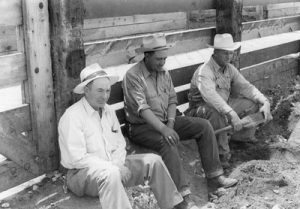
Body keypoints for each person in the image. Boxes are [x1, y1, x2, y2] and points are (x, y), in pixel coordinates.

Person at [122, 33, 238, 207]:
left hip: (165, 121)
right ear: (147, 56)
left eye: (165, 59)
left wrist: (170, 123)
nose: (162, 63)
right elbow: (143, 109)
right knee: (167, 142)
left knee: (204, 126)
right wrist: (164, 130)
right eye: (159, 59)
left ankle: (215, 178)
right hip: (141, 127)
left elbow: (172, 100)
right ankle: (183, 199)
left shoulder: (163, 72)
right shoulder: (133, 76)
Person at [58, 63, 192, 209]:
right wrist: (114, 167)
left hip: (114, 166)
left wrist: (119, 164)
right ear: (86, 90)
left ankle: (173, 205)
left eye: (108, 91)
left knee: (153, 161)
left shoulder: (108, 111)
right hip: (81, 175)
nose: (105, 96)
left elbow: (119, 144)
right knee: (112, 174)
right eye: (100, 91)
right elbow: (77, 158)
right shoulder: (72, 116)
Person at [185, 33, 273, 165]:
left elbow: (246, 87)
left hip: (223, 105)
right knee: (216, 112)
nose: (229, 56)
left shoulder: (229, 69)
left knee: (253, 103)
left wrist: (264, 101)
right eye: (225, 53)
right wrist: (231, 113)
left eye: (231, 53)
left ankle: (240, 138)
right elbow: (211, 97)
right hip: (201, 110)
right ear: (215, 52)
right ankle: (222, 155)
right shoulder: (205, 72)